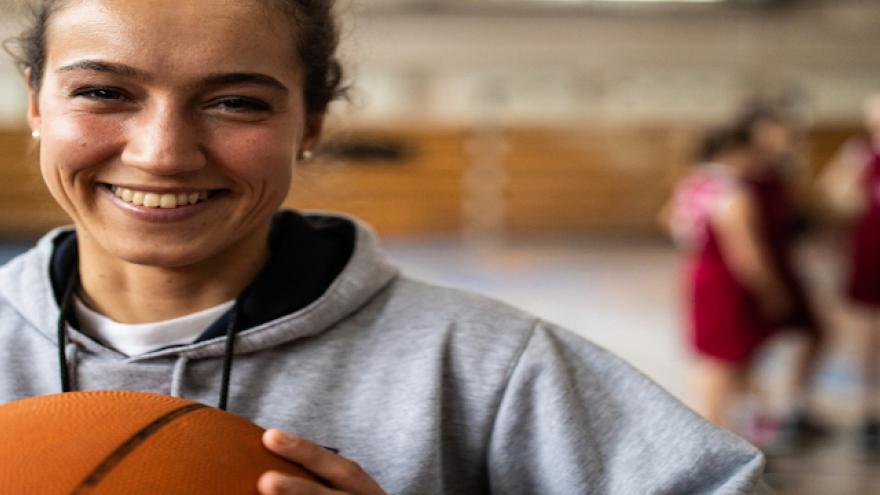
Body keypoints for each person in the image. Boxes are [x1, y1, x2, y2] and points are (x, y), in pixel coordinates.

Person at [0, 0, 770, 493]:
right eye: (104, 92)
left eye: (236, 102)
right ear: (36, 103)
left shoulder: (487, 365)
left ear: (312, 124)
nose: (164, 153)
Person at [662, 112, 825, 446]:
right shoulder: (732, 192)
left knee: (710, 360)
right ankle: (718, 438)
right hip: (728, 284)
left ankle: (719, 432)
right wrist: (772, 291)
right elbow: (746, 253)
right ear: (735, 153)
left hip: (700, 275)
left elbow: (668, 218)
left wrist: (693, 246)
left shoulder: (694, 182)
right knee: (729, 362)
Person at [818, 93, 880, 453]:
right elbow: (829, 195)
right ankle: (866, 409)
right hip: (870, 247)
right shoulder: (859, 153)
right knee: (866, 331)